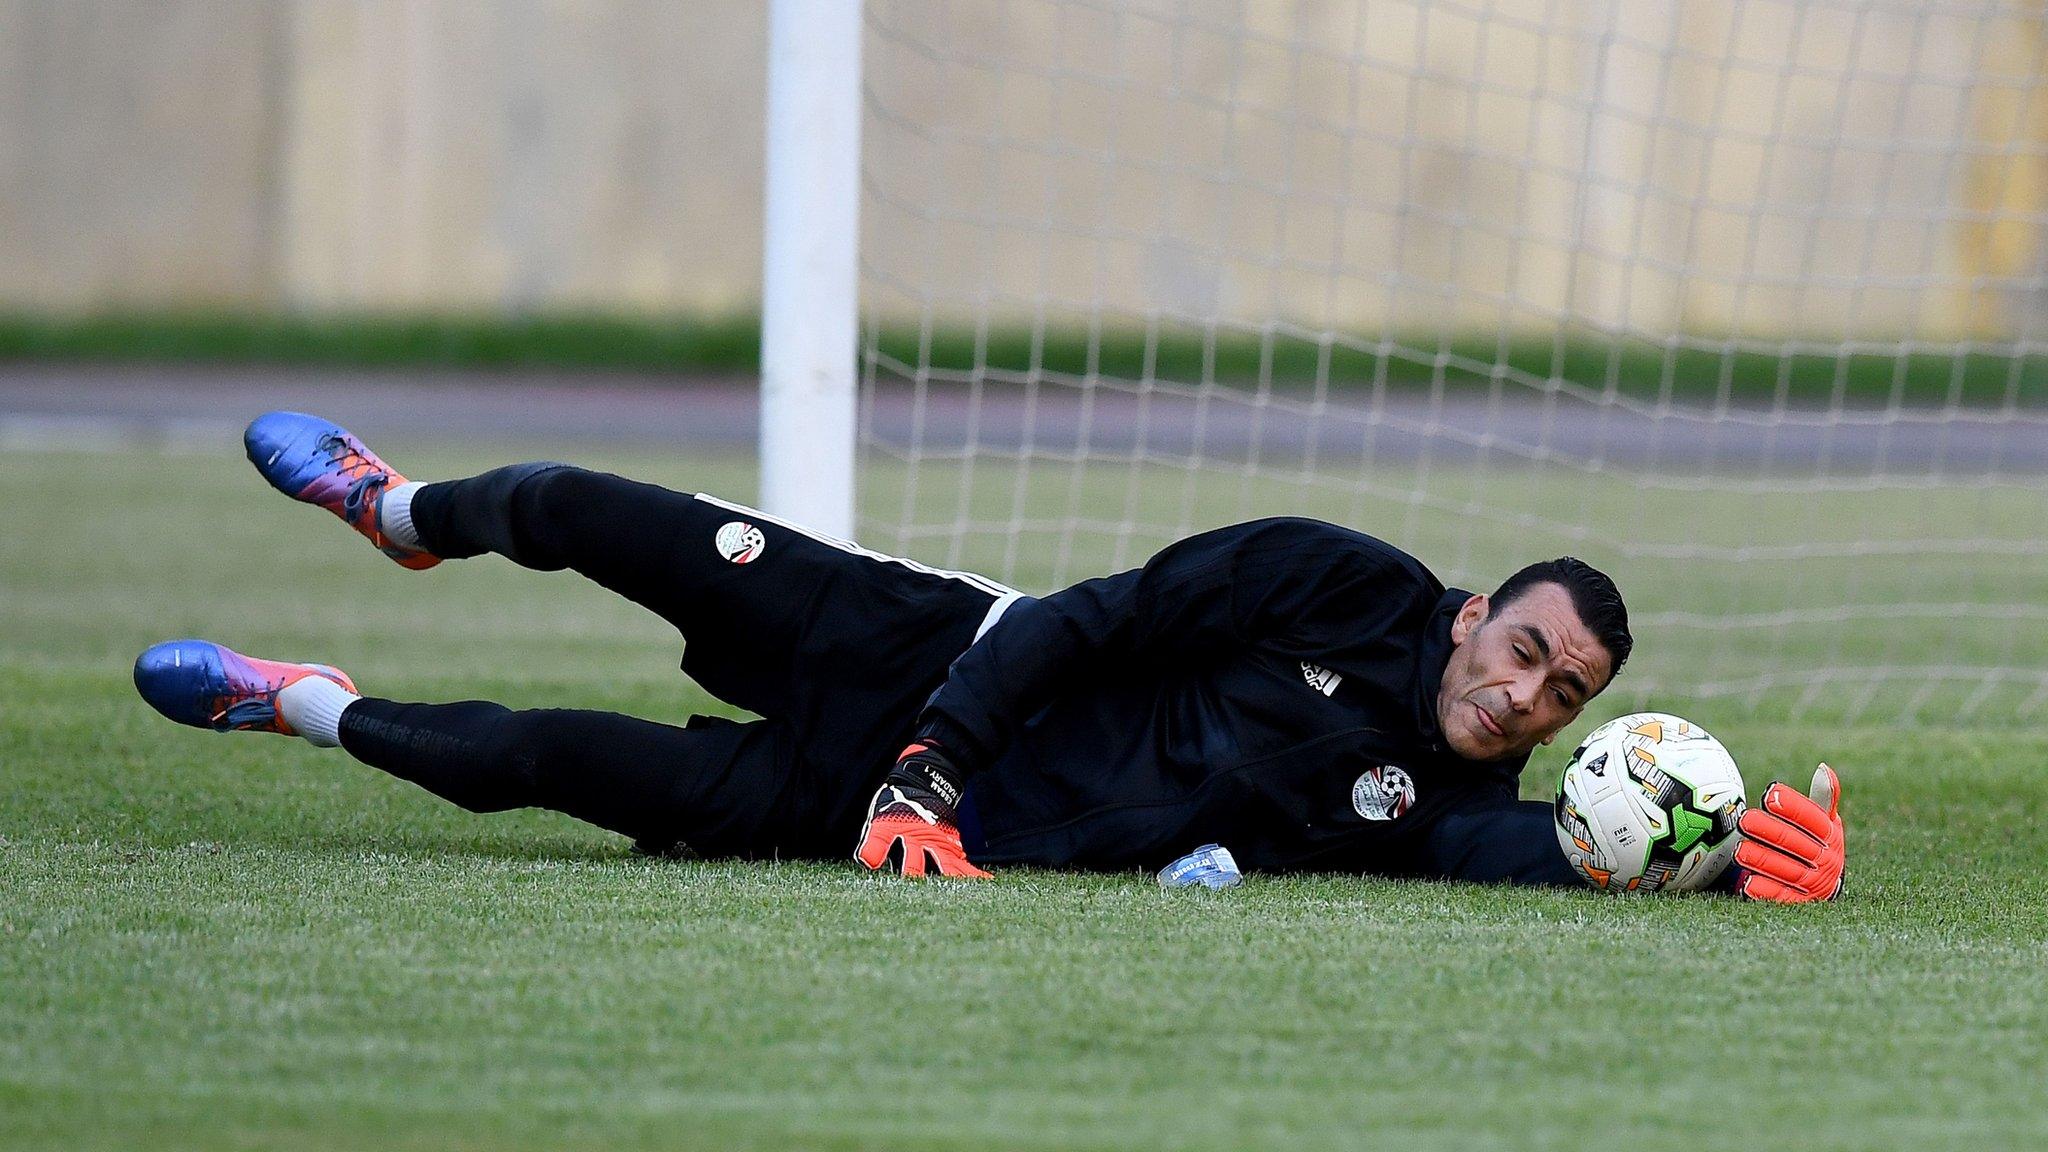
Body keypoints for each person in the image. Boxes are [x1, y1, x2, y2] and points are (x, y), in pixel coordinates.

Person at [134, 412, 1846, 903]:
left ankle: (295, 702)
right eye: (1526, 649)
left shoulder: (1435, 812)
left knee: (527, 760)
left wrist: (1735, 863)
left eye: (1566, 700)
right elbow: (1090, 619)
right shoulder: (1337, 581)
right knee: (593, 506)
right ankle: (404, 508)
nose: (1526, 697)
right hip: (919, 654)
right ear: (1476, 610)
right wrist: (936, 752)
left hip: (871, 812)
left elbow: (1544, 859)